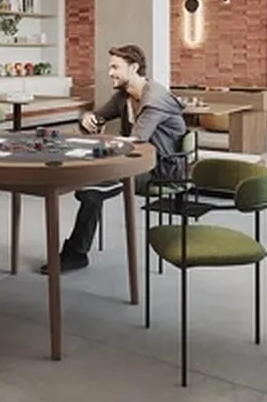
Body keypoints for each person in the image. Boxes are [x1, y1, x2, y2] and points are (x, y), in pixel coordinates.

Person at [40, 44, 187, 275]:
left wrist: (105, 140)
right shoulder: (123, 96)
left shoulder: (155, 99)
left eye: (115, 67)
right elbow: (96, 117)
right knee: (91, 188)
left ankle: (75, 254)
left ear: (134, 68)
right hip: (136, 162)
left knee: (92, 186)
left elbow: (137, 140)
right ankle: (76, 253)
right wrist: (87, 119)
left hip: (162, 170)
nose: (110, 73)